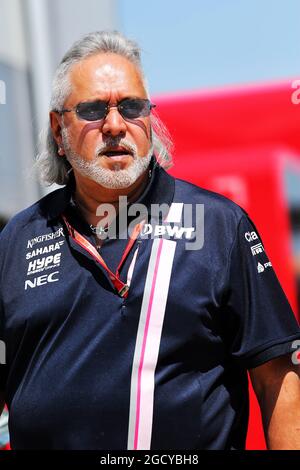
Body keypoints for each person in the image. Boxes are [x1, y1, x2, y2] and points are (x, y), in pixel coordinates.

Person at [0, 30, 299, 451]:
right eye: (92, 110)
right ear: (58, 128)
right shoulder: (18, 238)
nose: (116, 125)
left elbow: (278, 380)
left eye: (131, 106)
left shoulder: (218, 226)